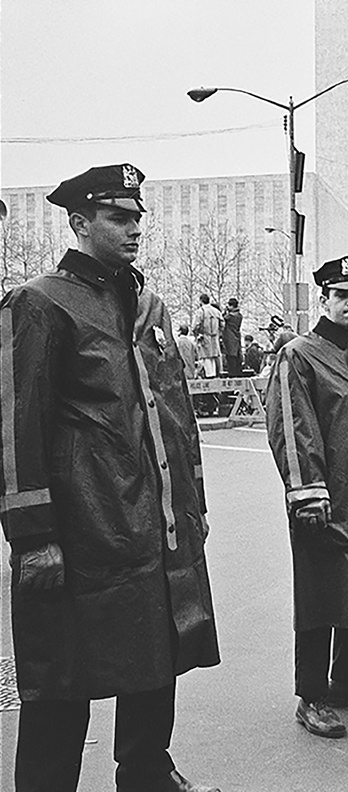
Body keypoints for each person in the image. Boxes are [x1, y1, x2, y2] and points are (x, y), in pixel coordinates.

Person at [0, 164, 220, 791]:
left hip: (154, 520)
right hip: (84, 527)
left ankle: (147, 773)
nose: (133, 230)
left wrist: (192, 504)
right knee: (61, 682)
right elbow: (17, 428)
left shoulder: (147, 305)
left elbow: (174, 413)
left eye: (136, 218)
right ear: (78, 223)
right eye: (117, 218)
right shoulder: (39, 303)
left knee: (157, 658)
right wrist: (33, 536)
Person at [265, 255, 348, 739]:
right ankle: (312, 695)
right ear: (324, 299)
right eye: (342, 295)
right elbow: (291, 425)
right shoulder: (299, 355)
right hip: (325, 497)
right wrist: (306, 491)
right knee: (322, 594)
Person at [191, 293, 222, 378]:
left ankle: (209, 376)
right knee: (214, 357)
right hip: (215, 337)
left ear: (201, 301)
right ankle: (214, 375)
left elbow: (195, 326)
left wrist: (197, 334)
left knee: (206, 357)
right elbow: (222, 324)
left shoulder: (200, 311)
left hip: (205, 336)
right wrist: (218, 333)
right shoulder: (217, 311)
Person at [221, 297, 243, 376]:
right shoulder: (239, 315)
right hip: (236, 338)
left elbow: (222, 318)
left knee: (231, 358)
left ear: (232, 306)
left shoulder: (230, 316)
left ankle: (232, 374)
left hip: (229, 338)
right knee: (237, 358)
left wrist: (225, 311)